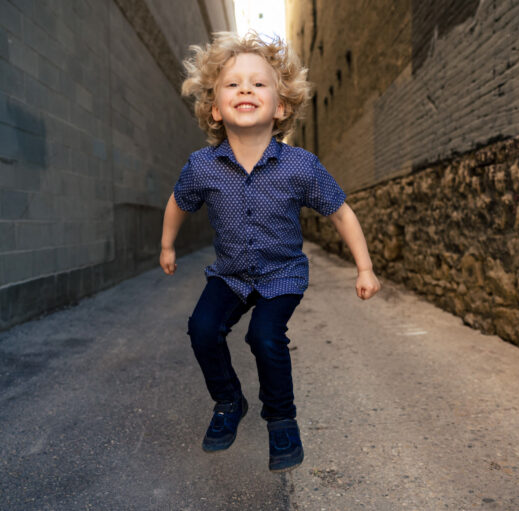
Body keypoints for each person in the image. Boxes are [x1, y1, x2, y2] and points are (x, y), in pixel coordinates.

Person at [159, 31, 380, 472]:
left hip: (282, 275)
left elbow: (341, 213)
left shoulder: (301, 166)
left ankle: (281, 420)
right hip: (231, 275)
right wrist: (166, 244)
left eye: (258, 84)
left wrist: (365, 266)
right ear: (215, 110)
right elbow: (178, 202)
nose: (245, 89)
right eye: (233, 84)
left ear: (279, 107)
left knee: (264, 338)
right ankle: (228, 402)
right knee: (202, 329)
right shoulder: (202, 167)